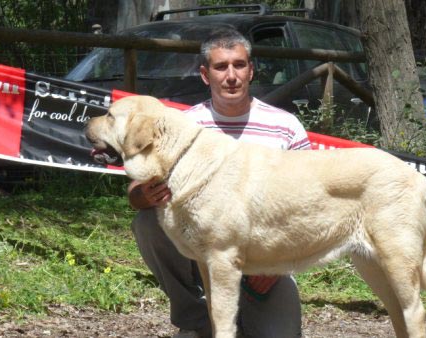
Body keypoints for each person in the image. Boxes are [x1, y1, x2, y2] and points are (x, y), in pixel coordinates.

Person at [128, 28, 311, 338]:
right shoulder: (181, 125)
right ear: (204, 74)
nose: (231, 76)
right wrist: (145, 194)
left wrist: (281, 264)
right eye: (220, 66)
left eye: (239, 65)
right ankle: (196, 319)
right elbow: (134, 193)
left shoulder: (285, 126)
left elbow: (311, 203)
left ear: (251, 70)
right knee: (148, 222)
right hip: (201, 259)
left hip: (263, 263)